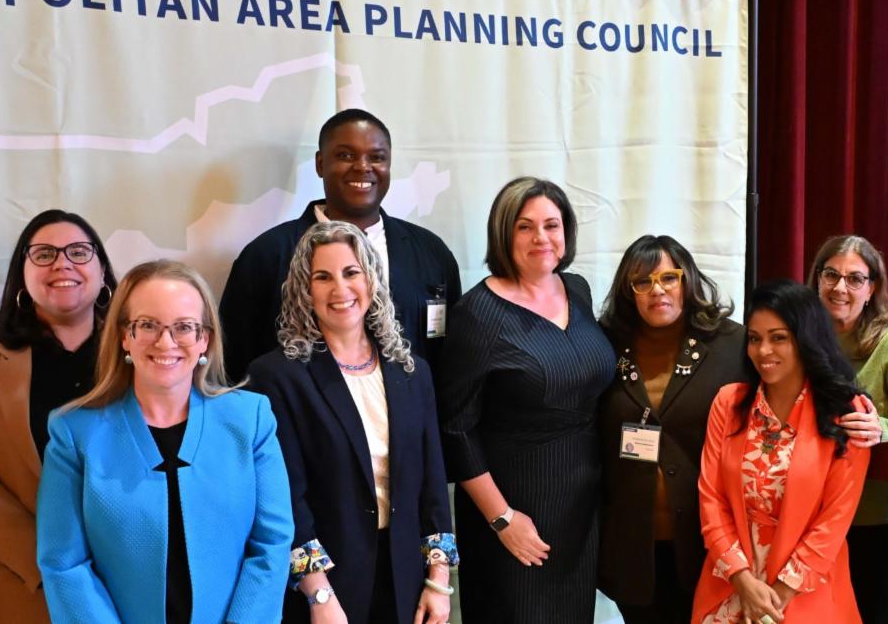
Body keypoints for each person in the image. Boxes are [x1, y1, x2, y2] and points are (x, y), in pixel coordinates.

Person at [36, 260, 293, 623]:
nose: (166, 342)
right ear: (125, 336)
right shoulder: (74, 433)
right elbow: (64, 564)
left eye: (184, 327)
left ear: (205, 338)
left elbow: (271, 544)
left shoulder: (251, 420)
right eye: (148, 325)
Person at [248, 221, 458, 624]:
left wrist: (438, 579)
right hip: (326, 590)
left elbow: (432, 484)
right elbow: (286, 499)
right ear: (304, 290)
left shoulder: (412, 371)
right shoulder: (277, 377)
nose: (339, 289)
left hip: (408, 585)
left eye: (351, 273)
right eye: (322, 277)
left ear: (372, 279)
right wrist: (319, 595)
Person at [437, 176, 616, 622]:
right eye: (525, 226)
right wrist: (502, 520)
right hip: (515, 511)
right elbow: (455, 428)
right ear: (503, 233)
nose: (542, 238)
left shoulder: (576, 289)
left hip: (580, 504)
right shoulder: (477, 314)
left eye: (552, 225)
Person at [0, 209, 118, 623]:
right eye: (44, 254)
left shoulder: (139, 358)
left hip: (121, 585)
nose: (62, 263)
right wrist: (55, 564)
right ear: (22, 275)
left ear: (102, 272)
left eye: (78, 251)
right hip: (16, 584)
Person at [220, 108, 461, 383]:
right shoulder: (266, 255)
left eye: (377, 157)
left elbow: (450, 361)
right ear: (320, 164)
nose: (362, 166)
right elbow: (234, 365)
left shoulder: (431, 253)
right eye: (346, 155)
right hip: (297, 422)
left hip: (410, 421)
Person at [694, 279, 871, 624]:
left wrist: (777, 596)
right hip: (731, 580)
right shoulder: (728, 403)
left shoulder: (845, 412)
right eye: (755, 339)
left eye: (779, 338)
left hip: (807, 589)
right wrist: (742, 579)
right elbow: (711, 499)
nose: (763, 351)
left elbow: (834, 521)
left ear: (805, 340)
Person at [596, 235, 747, 624]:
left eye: (668, 277)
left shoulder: (732, 343)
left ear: (688, 280)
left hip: (711, 543)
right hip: (631, 546)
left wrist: (851, 405)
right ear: (629, 292)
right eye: (642, 282)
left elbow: (789, 384)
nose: (656, 290)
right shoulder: (605, 345)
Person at [807, 234, 888, 624]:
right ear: (816, 281)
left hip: (877, 523)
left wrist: (881, 430)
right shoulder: (797, 341)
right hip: (809, 522)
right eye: (831, 275)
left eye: (855, 278)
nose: (840, 287)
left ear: (871, 288)